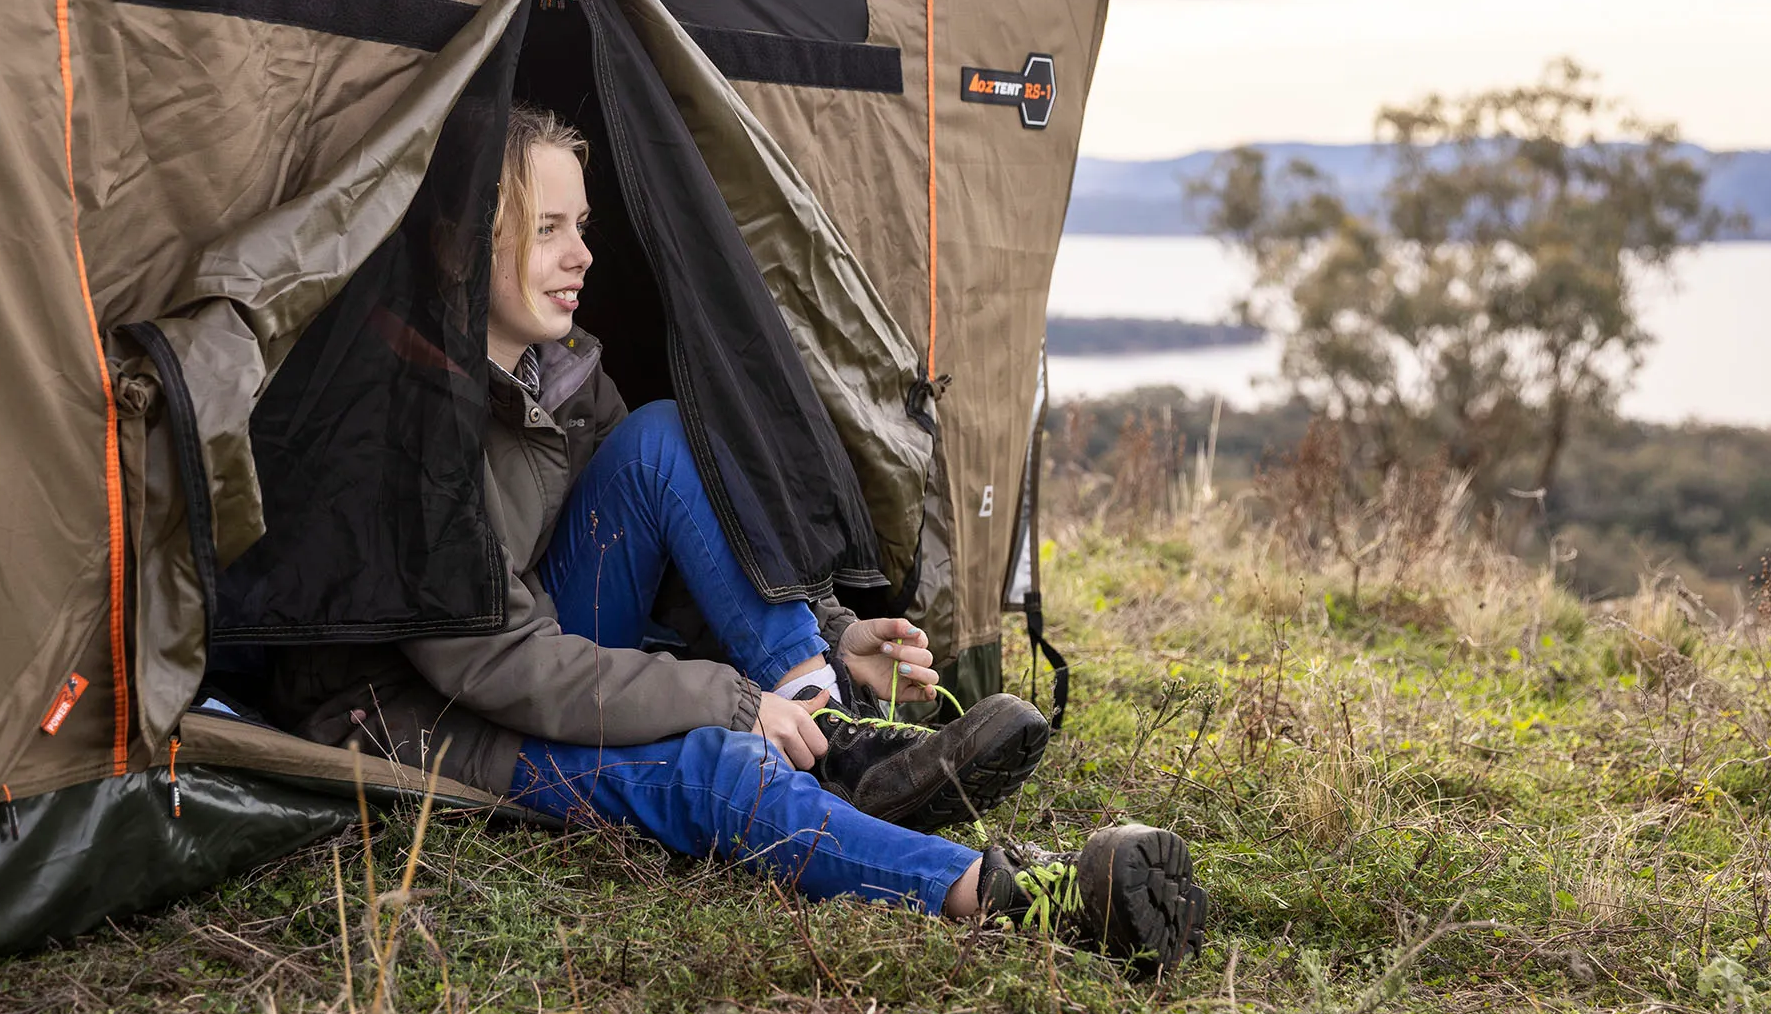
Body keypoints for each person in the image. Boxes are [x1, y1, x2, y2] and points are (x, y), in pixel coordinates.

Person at [270, 104, 1209, 964]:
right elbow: (498, 665)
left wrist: (830, 632)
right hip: (421, 715)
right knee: (712, 762)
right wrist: (725, 697)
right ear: (459, 246)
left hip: (547, 638)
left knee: (662, 442)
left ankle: (830, 727)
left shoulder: (561, 377)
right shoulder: (406, 425)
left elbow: (685, 536)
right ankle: (1007, 895)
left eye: (581, 227)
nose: (582, 256)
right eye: (546, 229)